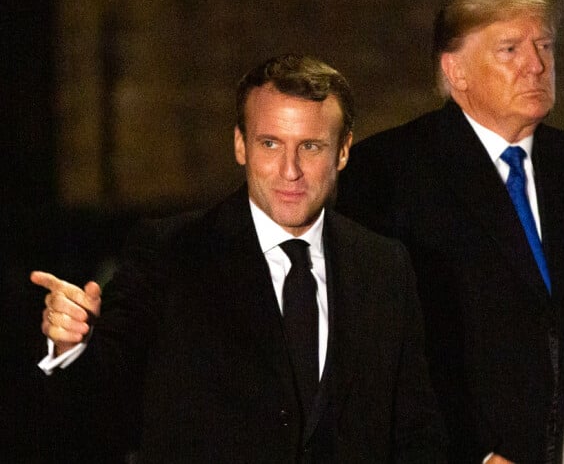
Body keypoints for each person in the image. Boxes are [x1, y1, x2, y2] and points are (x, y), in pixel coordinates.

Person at [31, 54, 446, 463]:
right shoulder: (171, 252)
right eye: (270, 144)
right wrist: (70, 348)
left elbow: (415, 430)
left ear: (342, 151)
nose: (290, 170)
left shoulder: (384, 265)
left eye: (311, 147)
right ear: (240, 145)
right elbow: (98, 411)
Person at [336, 0, 564, 464]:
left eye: (545, 46)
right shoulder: (385, 173)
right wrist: (476, 453)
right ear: (456, 71)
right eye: (510, 49)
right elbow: (380, 347)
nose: (536, 65)